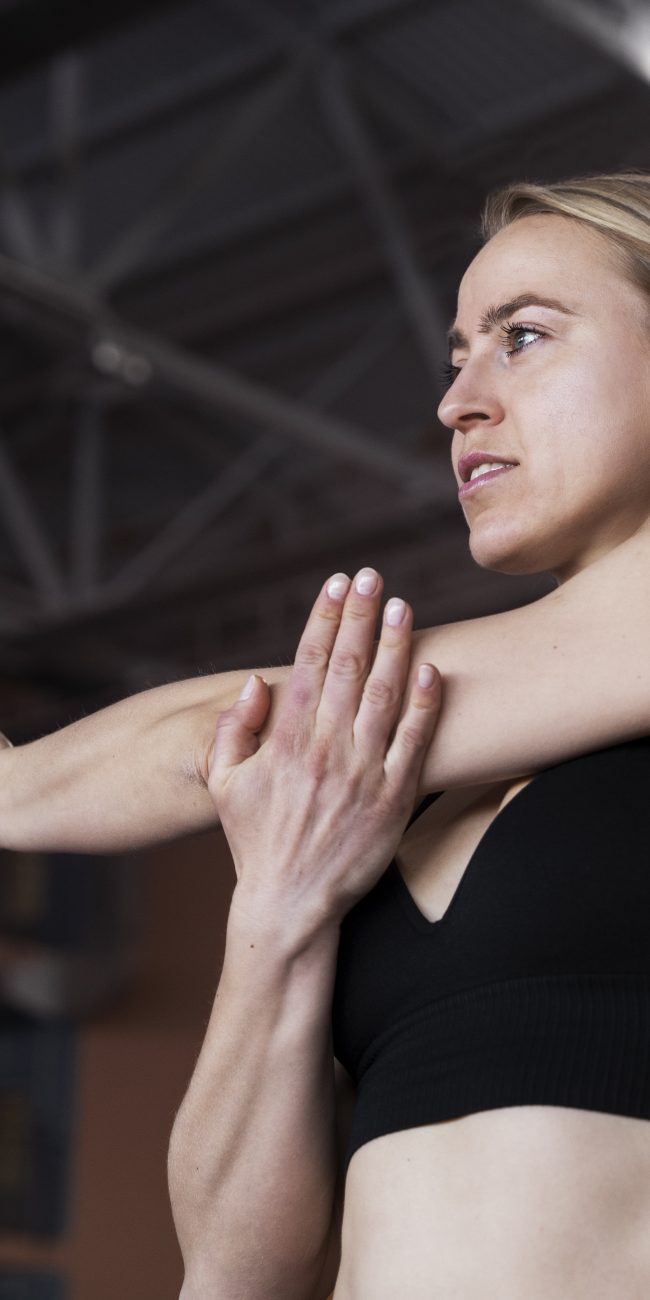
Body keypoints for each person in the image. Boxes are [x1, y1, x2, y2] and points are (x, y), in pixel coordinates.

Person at [167, 170, 650, 1300]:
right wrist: (281, 909)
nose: (457, 402)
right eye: (455, 357)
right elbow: (233, 1273)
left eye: (520, 337)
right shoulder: (390, 797)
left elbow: (193, 729)